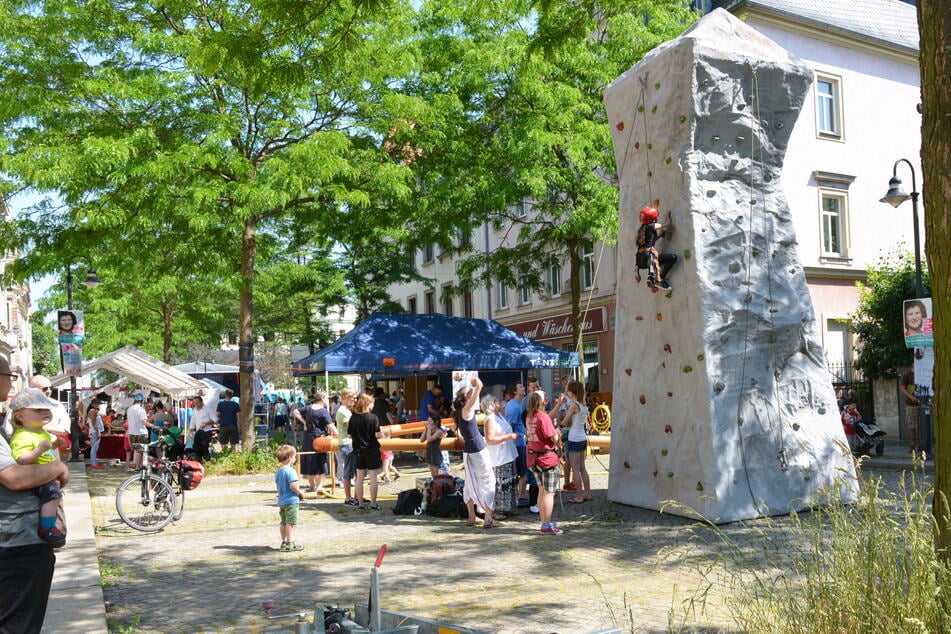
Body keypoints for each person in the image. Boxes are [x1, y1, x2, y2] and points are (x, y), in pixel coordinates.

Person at [0, 360, 72, 634]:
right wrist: (57, 467)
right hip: (16, 541)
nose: (10, 382)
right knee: (18, 624)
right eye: (9, 376)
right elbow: (14, 477)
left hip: (19, 538)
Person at [9, 388, 70, 547]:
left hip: (48, 475)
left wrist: (56, 443)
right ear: (20, 416)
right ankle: (47, 527)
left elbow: (49, 445)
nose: (46, 412)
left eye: (47, 409)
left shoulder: (41, 431)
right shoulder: (22, 436)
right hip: (37, 479)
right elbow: (21, 460)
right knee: (53, 496)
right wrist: (38, 451)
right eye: (38, 409)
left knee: (55, 496)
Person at [455, 377, 501, 528]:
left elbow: (463, 433)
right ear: (467, 397)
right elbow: (480, 385)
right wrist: (474, 383)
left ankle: (471, 516)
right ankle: (488, 517)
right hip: (478, 450)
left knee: (470, 483)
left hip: (469, 450)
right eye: (470, 394)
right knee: (488, 481)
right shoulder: (466, 409)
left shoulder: (459, 410)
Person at [526, 389, 562, 534]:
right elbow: (553, 438)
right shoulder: (542, 417)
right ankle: (546, 525)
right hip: (546, 459)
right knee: (549, 493)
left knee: (542, 491)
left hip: (533, 458)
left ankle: (544, 521)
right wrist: (558, 433)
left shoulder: (530, 416)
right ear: (542, 401)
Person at [481, 394, 519, 517]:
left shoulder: (500, 416)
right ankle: (498, 509)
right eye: (496, 401)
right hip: (499, 456)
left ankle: (509, 507)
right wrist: (508, 437)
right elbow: (490, 439)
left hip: (508, 453)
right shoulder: (490, 419)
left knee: (510, 481)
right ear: (492, 404)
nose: (499, 403)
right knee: (500, 483)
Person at [349, 393, 385, 510]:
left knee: (359, 477)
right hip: (372, 449)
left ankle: (360, 504)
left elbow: (350, 435)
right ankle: (373, 504)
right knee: (373, 477)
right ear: (368, 404)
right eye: (372, 403)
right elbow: (379, 435)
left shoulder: (353, 418)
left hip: (358, 450)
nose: (373, 405)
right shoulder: (373, 417)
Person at [293, 393, 334, 493]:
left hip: (307, 437)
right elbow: (331, 426)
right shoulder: (323, 411)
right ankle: (318, 485)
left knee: (309, 459)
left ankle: (312, 486)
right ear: (322, 399)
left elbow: (295, 411)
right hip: (319, 438)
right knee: (318, 460)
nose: (328, 401)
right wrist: (339, 436)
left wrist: (304, 422)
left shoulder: (308, 408)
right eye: (327, 399)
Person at [560, 381, 592, 503]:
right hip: (582, 438)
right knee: (583, 468)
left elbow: (565, 422)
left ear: (572, 392)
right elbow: (570, 401)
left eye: (568, 390)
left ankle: (579, 496)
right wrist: (567, 399)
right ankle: (588, 493)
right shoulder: (582, 405)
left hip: (574, 438)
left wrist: (559, 421)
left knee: (576, 469)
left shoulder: (573, 405)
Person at [635, 205, 676, 291]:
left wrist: (660, 236)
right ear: (653, 218)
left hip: (641, 260)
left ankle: (653, 278)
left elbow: (649, 242)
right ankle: (659, 280)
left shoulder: (641, 229)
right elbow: (667, 224)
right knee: (673, 257)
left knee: (655, 262)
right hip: (649, 256)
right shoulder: (651, 225)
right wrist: (667, 217)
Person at [274, 444, 305, 552]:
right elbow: (293, 486)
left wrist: (280, 495)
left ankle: (284, 542)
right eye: (295, 456)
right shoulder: (291, 471)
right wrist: (300, 493)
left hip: (282, 501)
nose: (295, 459)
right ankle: (290, 543)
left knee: (283, 522)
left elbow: (278, 487)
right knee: (290, 522)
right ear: (290, 457)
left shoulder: (278, 472)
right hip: (291, 501)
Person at [504, 382, 529, 505]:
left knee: (518, 472)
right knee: (522, 472)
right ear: (515, 391)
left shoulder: (515, 405)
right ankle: (521, 497)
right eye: (520, 387)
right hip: (517, 444)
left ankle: (517, 496)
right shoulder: (514, 407)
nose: (523, 388)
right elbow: (509, 426)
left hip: (516, 443)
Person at [335, 389, 359, 506]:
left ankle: (356, 496)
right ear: (345, 398)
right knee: (349, 472)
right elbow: (352, 428)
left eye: (355, 398)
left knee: (354, 471)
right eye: (352, 398)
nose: (354, 400)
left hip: (348, 442)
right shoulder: (344, 411)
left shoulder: (346, 410)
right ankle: (348, 498)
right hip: (347, 443)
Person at [126, 393, 150, 469]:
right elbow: (144, 421)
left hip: (132, 432)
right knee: (143, 450)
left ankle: (138, 466)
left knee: (137, 450)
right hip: (141, 432)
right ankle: (141, 466)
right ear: (142, 400)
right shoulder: (141, 409)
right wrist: (153, 425)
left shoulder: (129, 409)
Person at [189, 395, 216, 462]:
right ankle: (199, 462)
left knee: (204, 446)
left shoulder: (208, 409)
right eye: (194, 403)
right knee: (196, 447)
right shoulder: (194, 410)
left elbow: (215, 419)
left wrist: (206, 423)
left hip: (206, 431)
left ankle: (207, 460)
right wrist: (191, 431)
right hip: (198, 432)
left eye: (197, 403)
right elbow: (193, 421)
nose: (196, 405)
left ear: (201, 402)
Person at [419, 415, 447, 479]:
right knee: (433, 475)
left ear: (436, 422)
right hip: (430, 454)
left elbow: (429, 439)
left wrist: (428, 429)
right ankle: (435, 487)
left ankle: (438, 487)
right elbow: (421, 440)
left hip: (436, 455)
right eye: (428, 421)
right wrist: (426, 430)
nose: (429, 423)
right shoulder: (429, 430)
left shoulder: (439, 431)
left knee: (437, 475)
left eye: (430, 421)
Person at [899, 369, 920, 452]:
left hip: (922, 404)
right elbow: (902, 388)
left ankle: (922, 445)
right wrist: (912, 397)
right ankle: (912, 445)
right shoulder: (907, 375)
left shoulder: (923, 373)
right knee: (911, 425)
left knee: (922, 426)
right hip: (911, 405)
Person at [85, 401, 105, 469]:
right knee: (94, 448)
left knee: (94, 447)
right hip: (95, 431)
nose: (98, 405)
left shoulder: (91, 411)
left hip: (94, 431)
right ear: (92, 404)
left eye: (98, 403)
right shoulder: (93, 411)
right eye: (96, 403)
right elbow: (94, 423)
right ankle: (94, 464)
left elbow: (89, 423)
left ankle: (93, 463)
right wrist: (98, 432)